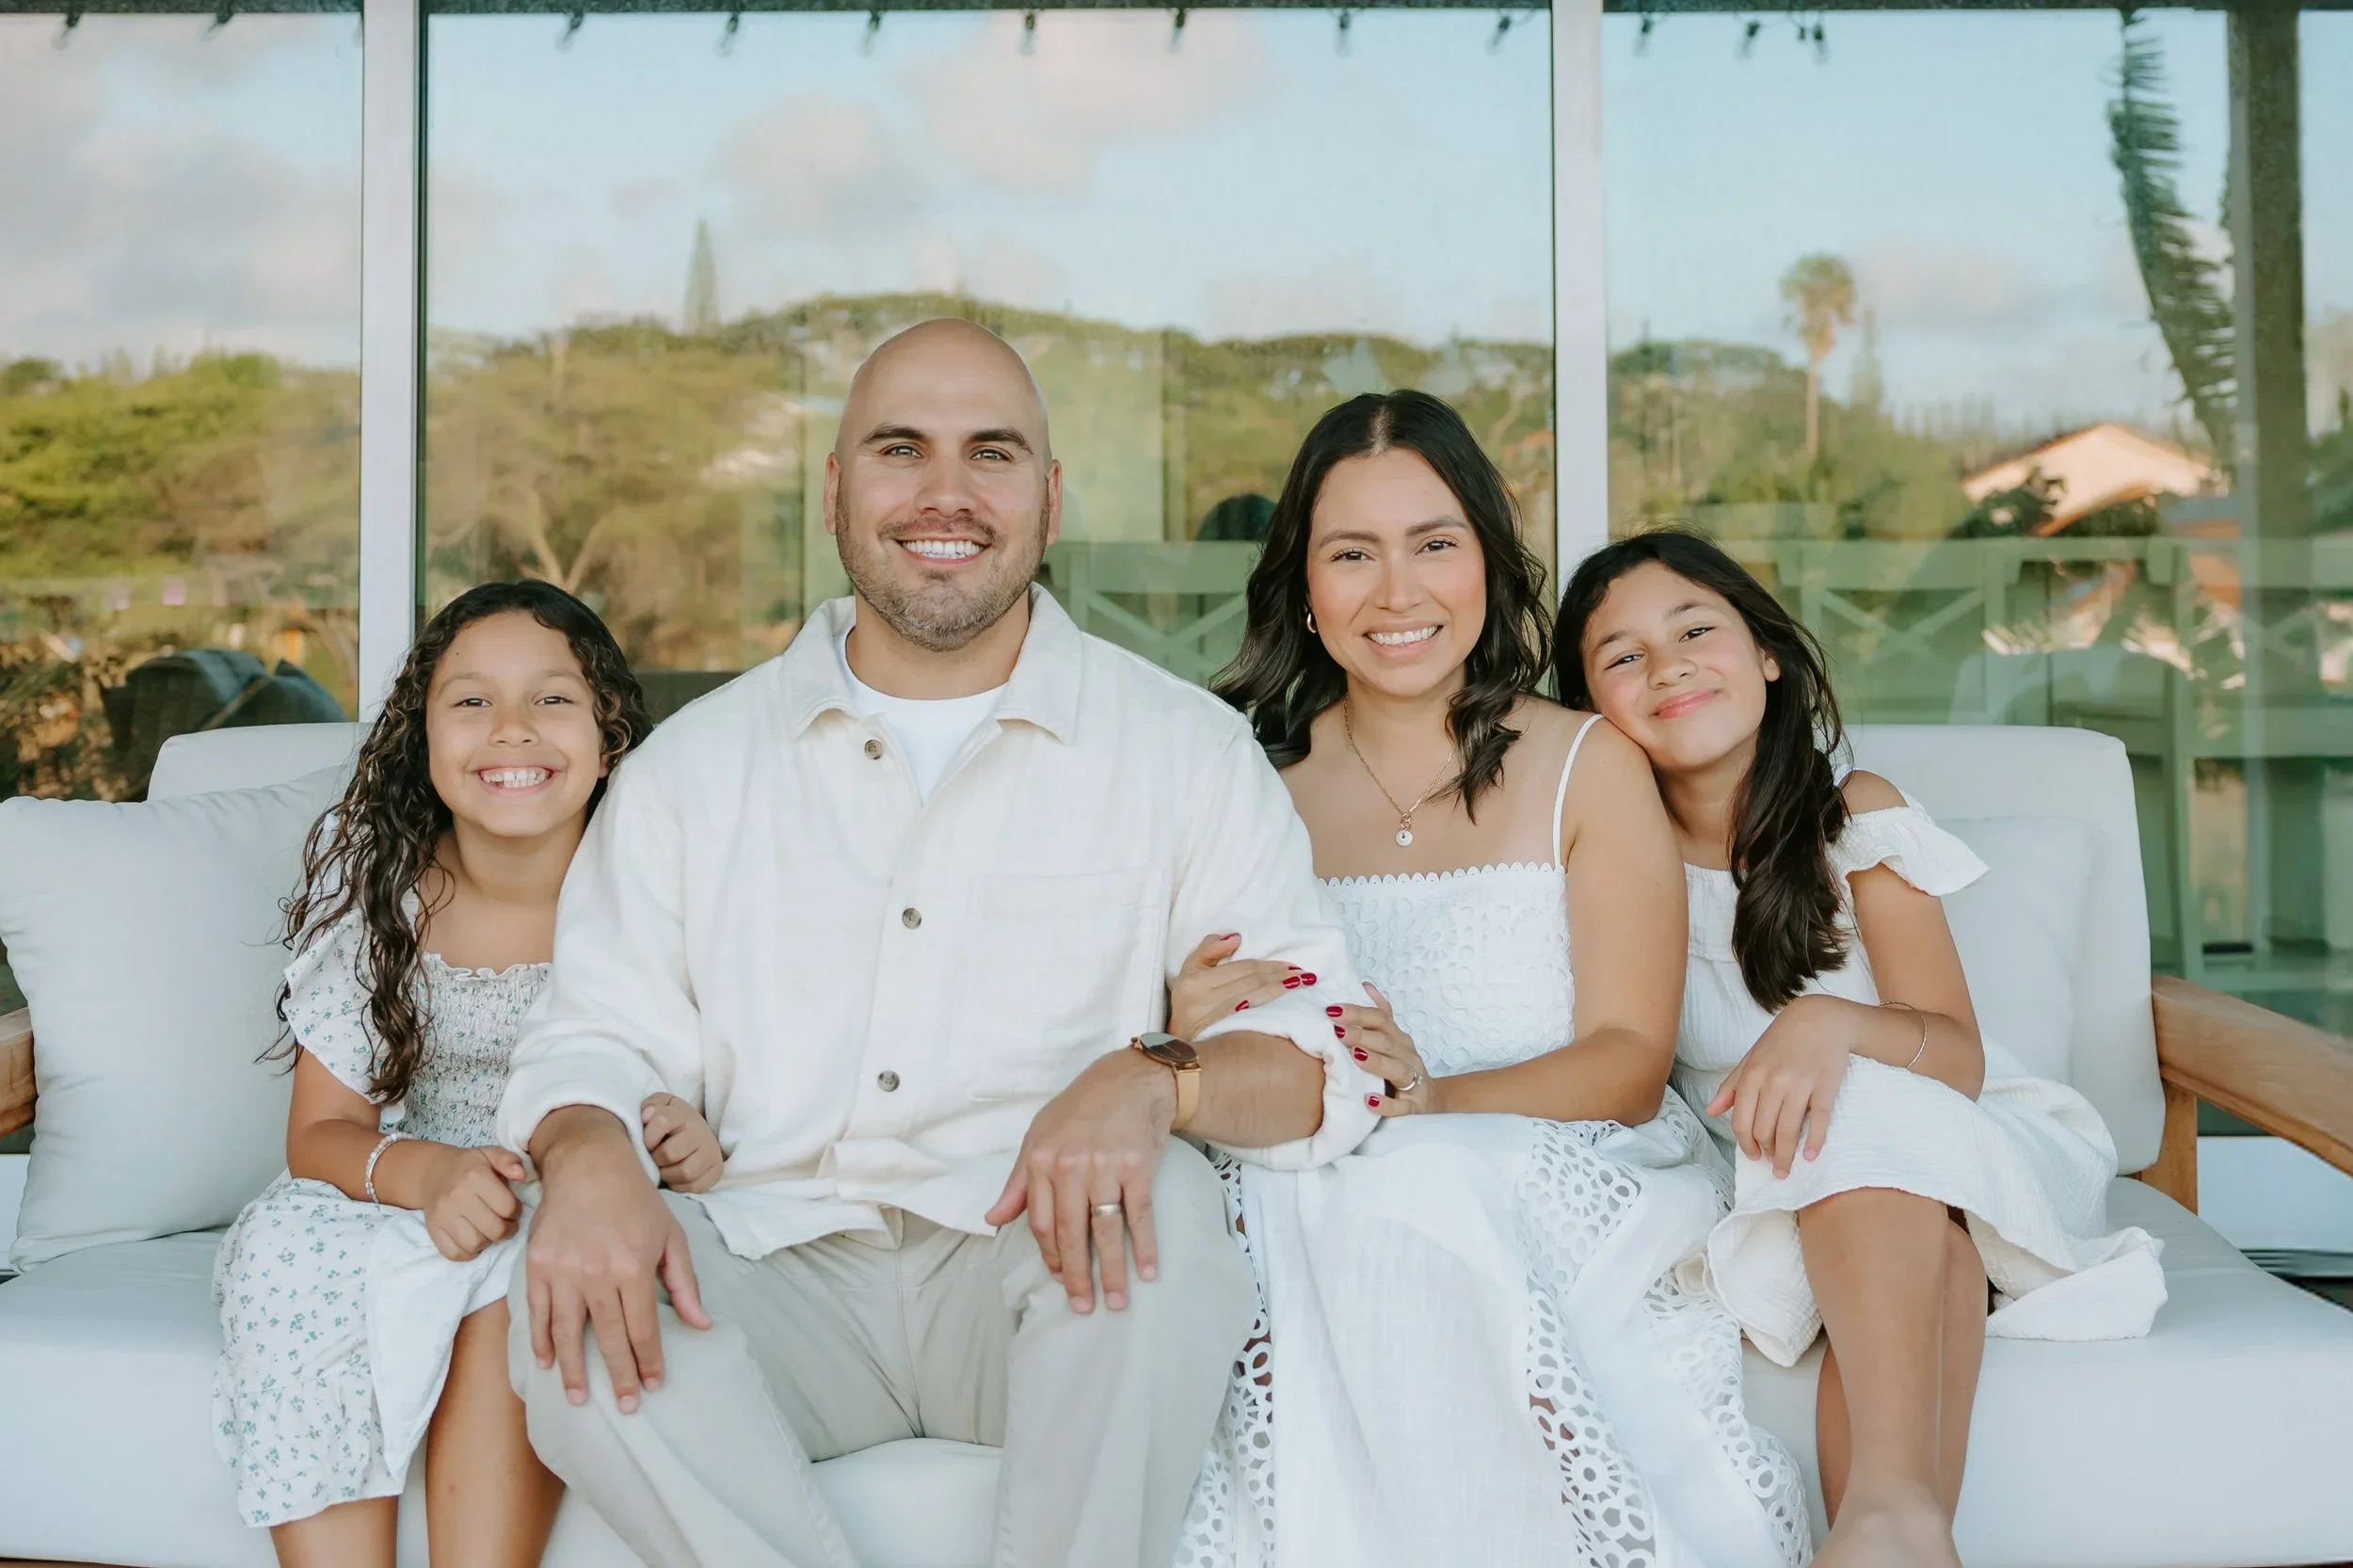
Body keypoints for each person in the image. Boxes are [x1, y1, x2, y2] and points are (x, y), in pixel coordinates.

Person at [496, 318, 1373, 1568]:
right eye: (902, 449)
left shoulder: (1180, 751)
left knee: (1163, 1209)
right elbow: (595, 1029)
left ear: (1051, 497)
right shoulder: (697, 768)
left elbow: (1317, 1057)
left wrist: (1149, 1075)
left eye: (993, 454)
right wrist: (583, 1148)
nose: (946, 494)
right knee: (567, 1289)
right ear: (837, 490)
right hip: (766, 1260)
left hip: (1038, 1271)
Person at [1170, 392, 1808, 1568]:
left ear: (1487, 562)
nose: (1397, 592)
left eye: (1434, 543)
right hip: (1317, 1181)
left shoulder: (1586, 761)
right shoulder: (1243, 786)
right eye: (1352, 553)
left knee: (1413, 1191)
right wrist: (1178, 1021)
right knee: (1316, 1202)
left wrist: (1433, 1104)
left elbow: (1627, 1060)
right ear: (1302, 587)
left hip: (1560, 1158)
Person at [1555, 529, 2167, 1568]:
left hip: (1956, 1132)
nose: (1667, 667)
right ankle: (1895, 1529)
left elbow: (1958, 1057)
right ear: (1590, 711)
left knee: (1865, 1108)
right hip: (1783, 1177)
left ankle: (1885, 1524)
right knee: (1928, 1247)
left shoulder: (1854, 815)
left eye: (1695, 629)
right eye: (1622, 656)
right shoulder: (1613, 855)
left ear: (1767, 656)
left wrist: (1827, 1021)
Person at [211, 580, 726, 1567]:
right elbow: (320, 1135)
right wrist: (433, 1174)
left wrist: (699, 1144)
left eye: (554, 698)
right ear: (424, 738)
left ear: (612, 736)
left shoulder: (669, 898)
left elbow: (747, 1103)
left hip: (583, 1198)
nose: (514, 730)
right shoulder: (380, 904)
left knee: (532, 1270)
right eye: (473, 700)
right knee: (282, 1248)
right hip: (417, 1187)